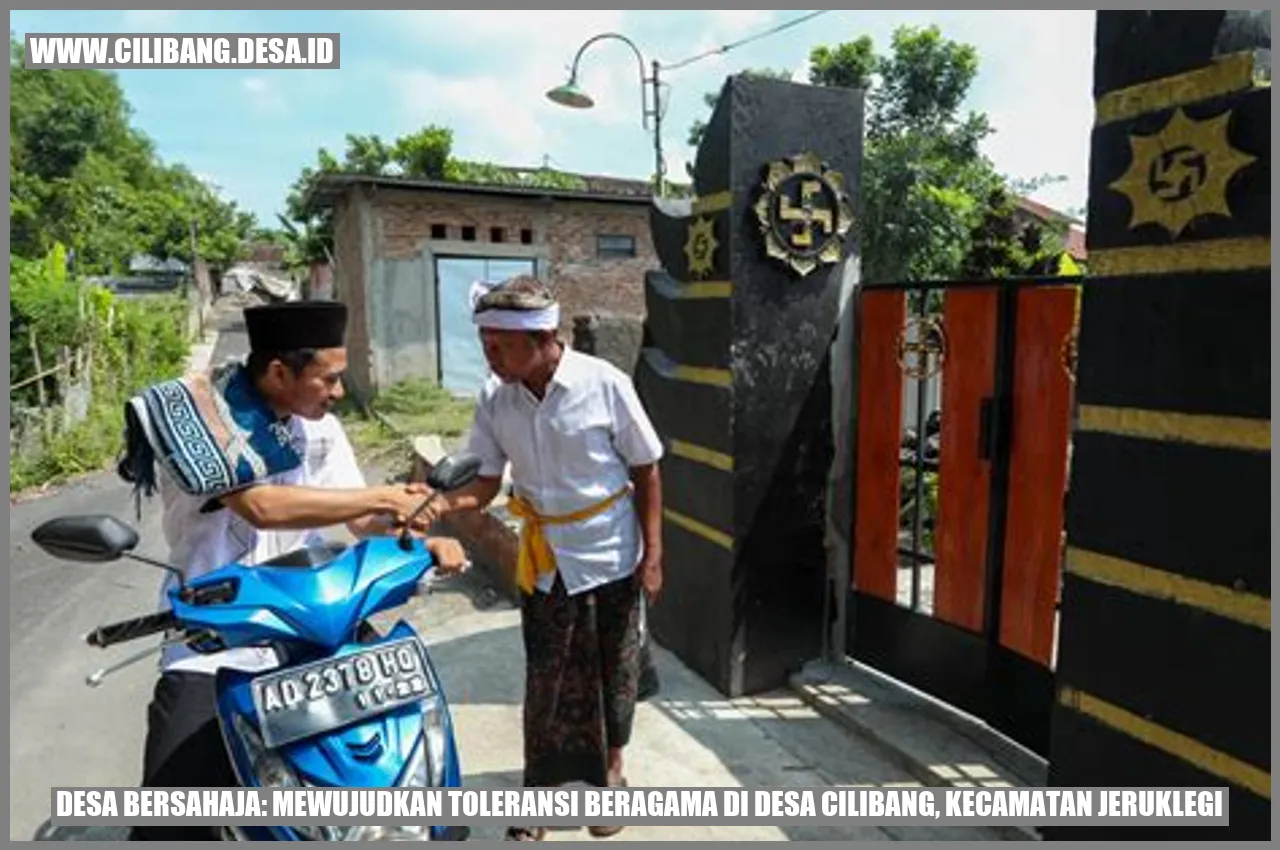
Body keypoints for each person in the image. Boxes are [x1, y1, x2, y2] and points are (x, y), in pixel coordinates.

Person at [117, 300, 470, 841]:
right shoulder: (202, 416)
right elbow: (262, 507)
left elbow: (360, 518)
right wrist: (382, 494)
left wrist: (418, 527)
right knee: (170, 819)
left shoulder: (318, 427)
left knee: (404, 773)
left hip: (313, 625)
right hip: (216, 635)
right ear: (280, 372)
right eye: (328, 379)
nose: (339, 392)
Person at [418, 276, 665, 841]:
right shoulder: (495, 397)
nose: (490, 357)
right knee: (547, 677)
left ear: (545, 337)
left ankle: (611, 776)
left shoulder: (604, 384)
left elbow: (647, 467)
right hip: (544, 559)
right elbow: (483, 480)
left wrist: (654, 554)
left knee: (614, 672)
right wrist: (437, 506)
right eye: (485, 345)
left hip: (610, 555)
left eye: (500, 346)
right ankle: (543, 794)